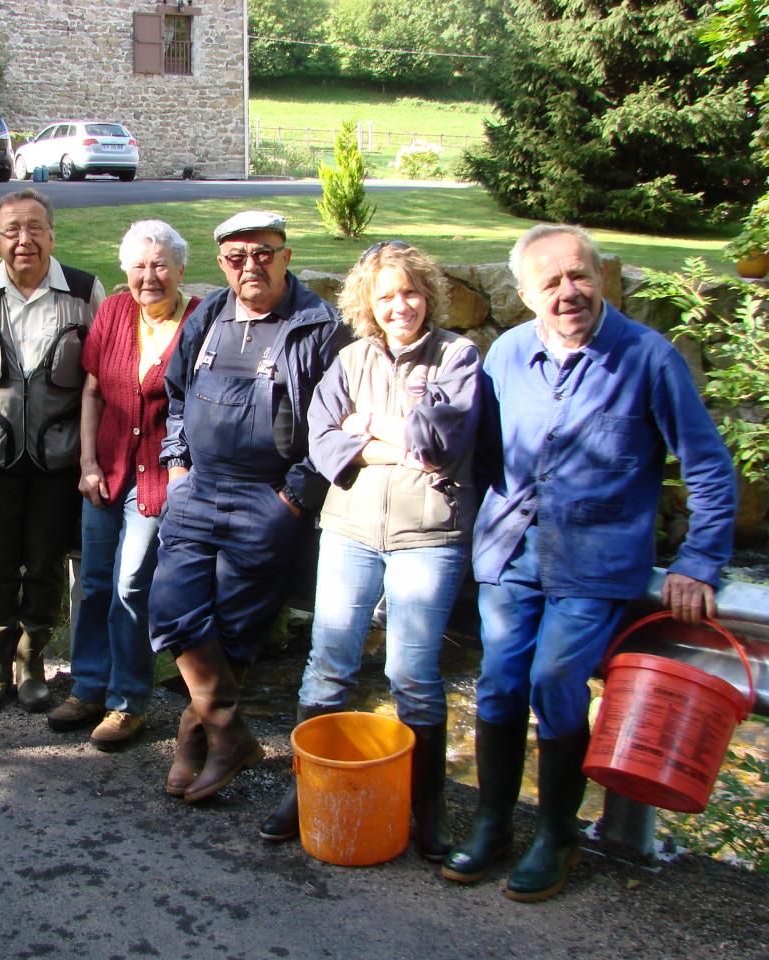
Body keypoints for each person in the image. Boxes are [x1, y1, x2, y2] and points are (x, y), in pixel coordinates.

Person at [442, 224, 737, 901]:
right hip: (510, 552)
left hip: (596, 560)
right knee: (497, 685)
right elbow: (481, 453)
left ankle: (556, 834)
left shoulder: (647, 357)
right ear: (524, 294)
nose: (568, 291)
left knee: (554, 681)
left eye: (579, 275)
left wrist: (699, 559)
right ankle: (492, 823)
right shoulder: (508, 354)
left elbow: (710, 468)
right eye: (551, 282)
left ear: (600, 276)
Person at [258, 241, 481, 857]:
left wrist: (373, 427)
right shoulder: (351, 358)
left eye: (409, 292)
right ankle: (304, 789)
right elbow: (322, 443)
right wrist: (396, 443)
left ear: (427, 295)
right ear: (368, 303)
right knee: (328, 662)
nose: (399, 305)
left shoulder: (457, 358)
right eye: (385, 295)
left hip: (429, 537)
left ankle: (424, 807)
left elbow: (441, 442)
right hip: (351, 531)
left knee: (411, 675)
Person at [149, 210, 348, 803]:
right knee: (171, 607)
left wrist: (293, 497)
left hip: (267, 497)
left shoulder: (318, 326)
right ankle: (231, 735)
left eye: (263, 253)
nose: (250, 266)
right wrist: (178, 467)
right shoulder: (206, 316)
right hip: (199, 486)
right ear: (222, 265)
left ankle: (196, 735)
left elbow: (335, 422)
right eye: (237, 257)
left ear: (285, 255)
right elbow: (177, 396)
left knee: (233, 631)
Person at [0, 188, 105, 713]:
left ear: (52, 235)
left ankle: (31, 658)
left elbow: (99, 374)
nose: (24, 240)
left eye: (35, 227)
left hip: (58, 459)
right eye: (12, 230)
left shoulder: (83, 291)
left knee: (43, 562)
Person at [46, 220, 199, 750]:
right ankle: (87, 686)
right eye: (138, 265)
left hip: (158, 479)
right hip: (105, 472)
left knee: (132, 584)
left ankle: (128, 701)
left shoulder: (199, 321)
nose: (149, 276)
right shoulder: (112, 313)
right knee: (93, 582)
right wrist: (87, 462)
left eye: (160, 265)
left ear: (181, 269)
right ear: (125, 271)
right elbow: (91, 392)